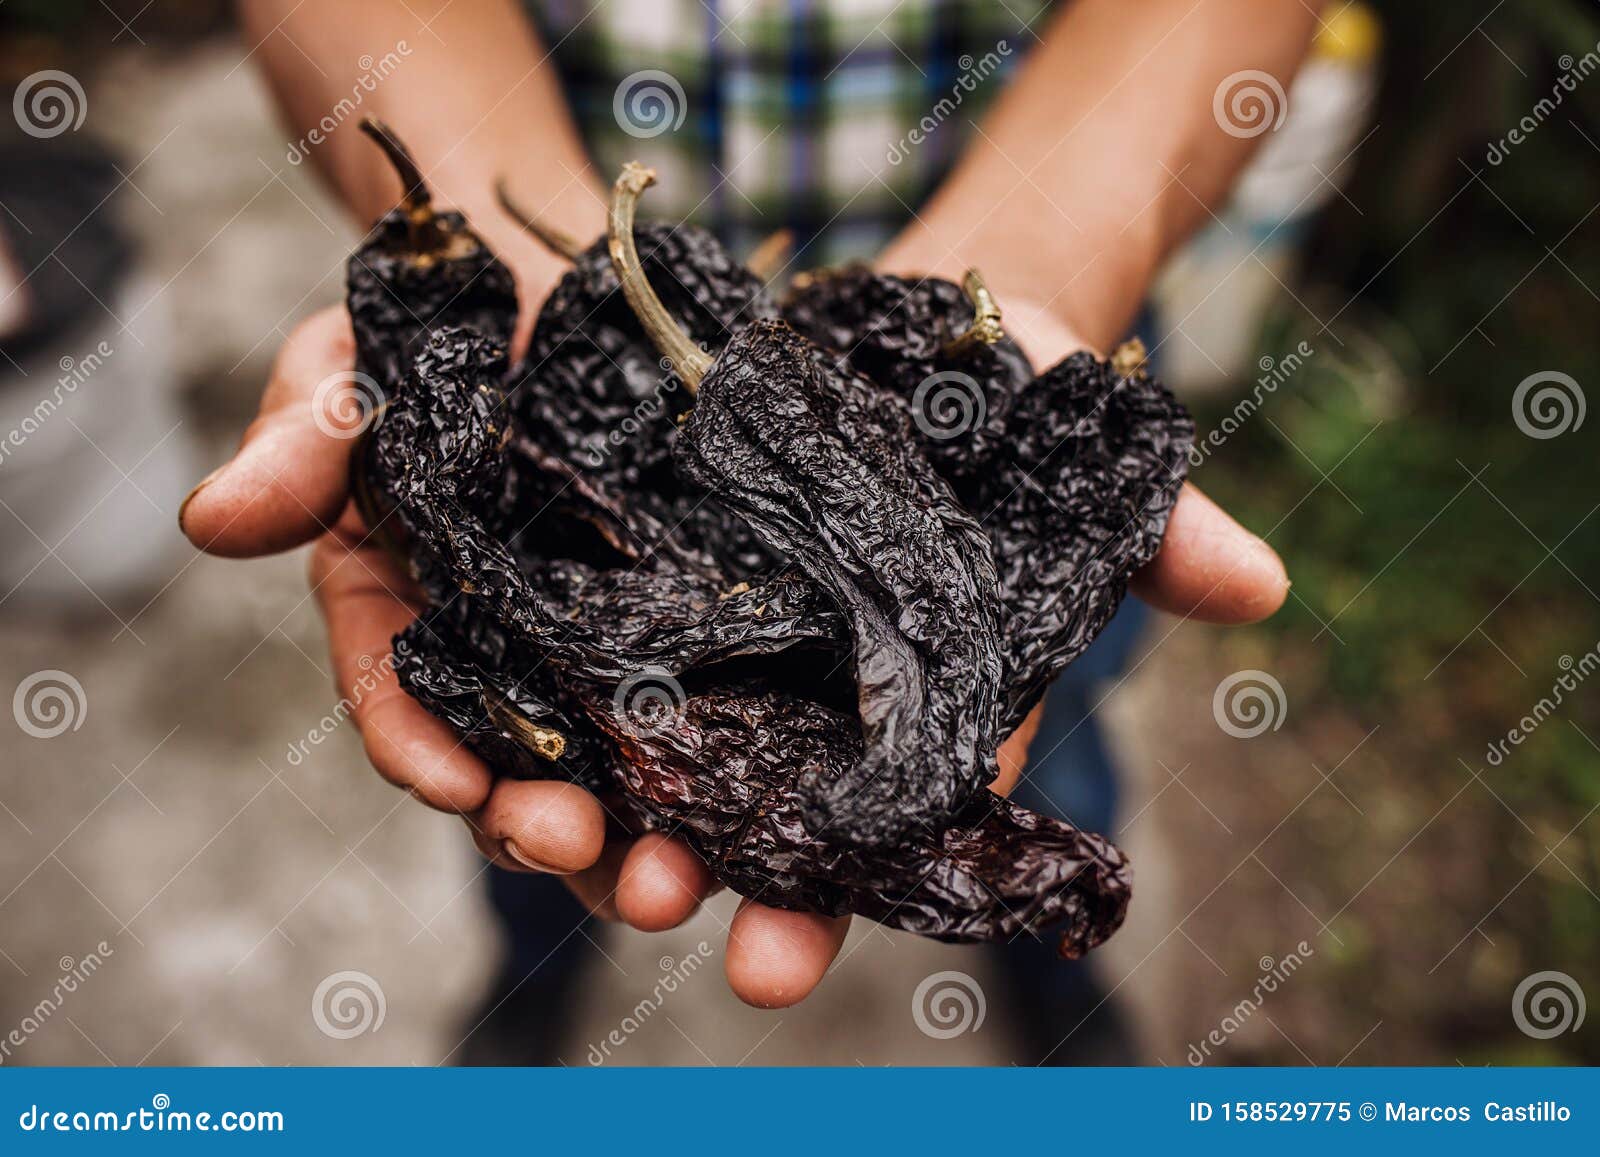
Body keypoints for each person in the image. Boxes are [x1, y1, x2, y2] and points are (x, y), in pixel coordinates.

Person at [182, 0, 1307, 1058]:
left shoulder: (863, 419)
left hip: (1000, 257)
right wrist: (480, 211)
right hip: (584, 246)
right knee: (543, 779)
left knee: (1039, 738)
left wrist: (1058, 254)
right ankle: (532, 983)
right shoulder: (592, 395)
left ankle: (1052, 980)